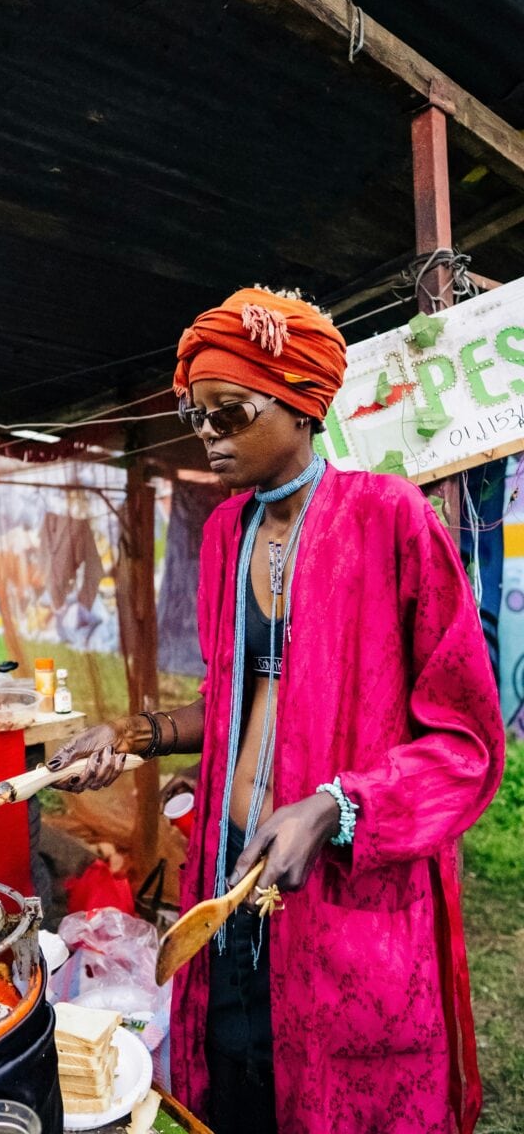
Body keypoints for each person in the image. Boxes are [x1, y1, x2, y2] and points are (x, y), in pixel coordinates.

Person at [46, 287, 506, 1134]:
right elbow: (240, 699)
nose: (210, 437)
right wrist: (136, 733)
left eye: (230, 412)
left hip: (344, 893)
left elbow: (467, 741)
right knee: (240, 1085)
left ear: (300, 403)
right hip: (229, 880)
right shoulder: (225, 534)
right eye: (197, 418)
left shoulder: (390, 517)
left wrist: (336, 805)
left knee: (341, 1096)